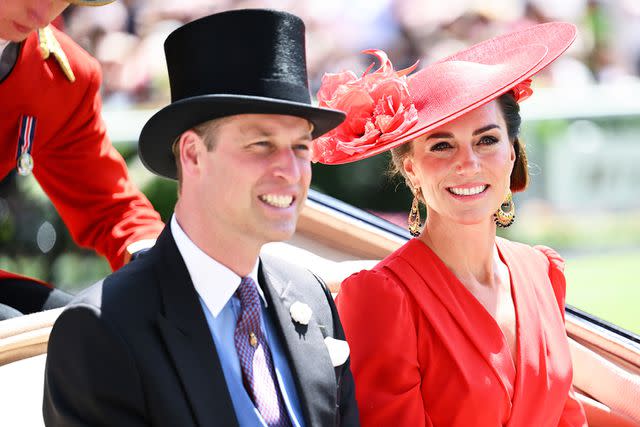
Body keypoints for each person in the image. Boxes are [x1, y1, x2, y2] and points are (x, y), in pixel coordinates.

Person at [43, 9, 359, 427]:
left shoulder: (311, 297)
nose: (291, 169)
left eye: (301, 147)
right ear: (192, 154)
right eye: (261, 144)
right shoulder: (101, 330)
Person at [313, 23, 588, 426]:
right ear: (411, 170)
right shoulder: (382, 298)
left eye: (487, 140)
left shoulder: (542, 272)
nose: (468, 163)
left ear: (511, 154)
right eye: (442, 146)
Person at [0, 0, 164, 319]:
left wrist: (164, 268)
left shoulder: (61, 76)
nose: (42, 14)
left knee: (81, 335)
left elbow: (111, 207)